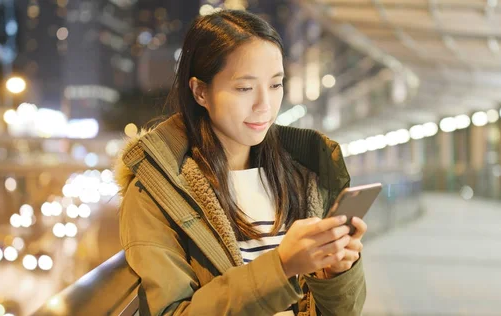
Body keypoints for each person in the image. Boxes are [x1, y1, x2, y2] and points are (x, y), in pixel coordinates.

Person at [115, 9, 367, 316]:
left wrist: (336, 274)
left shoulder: (305, 172)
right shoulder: (157, 189)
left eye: (275, 85)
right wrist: (281, 266)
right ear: (200, 91)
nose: (265, 105)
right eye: (244, 88)